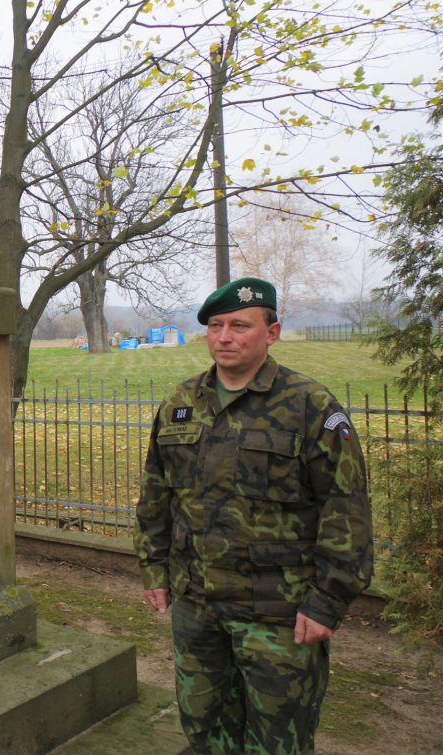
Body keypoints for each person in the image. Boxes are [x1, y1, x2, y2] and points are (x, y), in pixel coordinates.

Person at [134, 276, 373, 754]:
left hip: (278, 613)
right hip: (197, 606)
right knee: (204, 728)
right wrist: (154, 569)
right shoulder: (181, 403)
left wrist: (327, 601)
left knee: (278, 740)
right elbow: (156, 496)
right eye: (215, 326)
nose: (224, 337)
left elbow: (346, 509)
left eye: (240, 325)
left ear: (272, 332)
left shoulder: (309, 406)